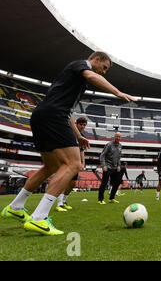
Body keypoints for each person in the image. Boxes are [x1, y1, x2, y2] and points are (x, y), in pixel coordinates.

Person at [1, 51, 136, 235]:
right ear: (96, 59)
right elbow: (91, 75)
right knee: (73, 164)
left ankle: (15, 207)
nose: (103, 72)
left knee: (50, 167)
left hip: (43, 116)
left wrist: (77, 135)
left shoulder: (74, 80)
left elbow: (68, 111)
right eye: (104, 68)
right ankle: (39, 218)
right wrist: (118, 92)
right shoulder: (81, 66)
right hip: (53, 117)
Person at [55, 116, 87, 212]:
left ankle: (64, 201)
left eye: (84, 125)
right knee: (64, 181)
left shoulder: (82, 137)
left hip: (75, 162)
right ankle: (59, 204)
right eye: (81, 124)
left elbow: (82, 150)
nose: (82, 127)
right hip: (65, 160)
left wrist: (83, 162)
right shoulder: (69, 132)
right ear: (76, 124)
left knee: (72, 183)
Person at [98, 132, 123, 204]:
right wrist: (103, 165)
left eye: (119, 137)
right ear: (114, 137)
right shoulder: (109, 145)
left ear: (120, 138)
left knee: (117, 183)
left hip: (115, 168)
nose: (118, 138)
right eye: (117, 136)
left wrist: (118, 165)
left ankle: (111, 198)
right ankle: (100, 200)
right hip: (107, 167)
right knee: (104, 183)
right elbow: (102, 155)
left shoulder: (120, 146)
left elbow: (119, 157)